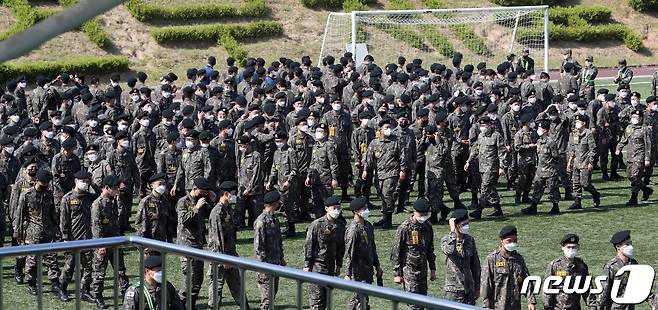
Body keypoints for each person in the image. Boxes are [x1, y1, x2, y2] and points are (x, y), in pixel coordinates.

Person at [13, 169, 66, 300]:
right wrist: (18, 233)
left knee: (52, 259)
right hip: (32, 232)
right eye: (43, 183)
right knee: (32, 260)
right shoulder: (27, 195)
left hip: (48, 232)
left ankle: (55, 283)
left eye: (47, 183)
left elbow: (53, 213)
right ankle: (31, 282)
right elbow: (19, 215)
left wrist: (57, 230)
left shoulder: (48, 194)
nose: (45, 185)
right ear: (36, 181)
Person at [206, 181, 251, 309]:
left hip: (230, 254)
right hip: (219, 256)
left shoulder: (227, 209)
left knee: (236, 282)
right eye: (233, 194)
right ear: (226, 194)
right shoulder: (217, 212)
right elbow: (217, 237)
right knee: (216, 284)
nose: (235, 196)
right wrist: (223, 258)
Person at [390, 198, 436, 310]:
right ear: (414, 212)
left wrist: (433, 269)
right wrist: (397, 273)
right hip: (409, 271)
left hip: (423, 271)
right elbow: (396, 251)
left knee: (423, 302)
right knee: (414, 305)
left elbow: (430, 249)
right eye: (421, 214)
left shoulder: (427, 226)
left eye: (426, 214)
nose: (423, 217)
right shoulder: (404, 228)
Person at [91, 175, 130, 309]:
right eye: (114, 189)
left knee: (121, 271)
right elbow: (96, 225)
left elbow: (120, 217)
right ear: (106, 188)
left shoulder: (114, 200)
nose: (117, 191)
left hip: (115, 242)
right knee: (100, 272)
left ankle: (125, 294)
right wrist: (99, 244)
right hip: (103, 243)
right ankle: (98, 296)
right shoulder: (98, 204)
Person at [176, 177, 216, 307]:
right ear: (194, 189)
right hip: (186, 245)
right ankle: (180, 304)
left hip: (198, 244)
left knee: (198, 279)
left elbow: (212, 214)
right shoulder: (183, 202)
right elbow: (184, 220)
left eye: (205, 192)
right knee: (189, 279)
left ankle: (191, 304)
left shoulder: (202, 201)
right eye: (202, 192)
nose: (203, 195)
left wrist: (212, 199)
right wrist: (196, 208)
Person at [303, 196, 346, 310]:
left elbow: (341, 247)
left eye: (338, 207)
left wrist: (339, 265)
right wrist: (307, 265)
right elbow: (309, 245)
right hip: (317, 267)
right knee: (317, 301)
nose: (337, 210)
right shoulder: (317, 224)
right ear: (326, 208)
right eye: (334, 207)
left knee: (327, 300)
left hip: (330, 267)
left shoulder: (340, 226)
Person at [59, 170, 95, 303]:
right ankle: (63, 288)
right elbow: (64, 220)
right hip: (73, 238)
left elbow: (100, 193)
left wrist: (92, 184)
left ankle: (85, 291)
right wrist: (65, 237)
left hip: (87, 238)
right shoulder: (67, 198)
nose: (85, 184)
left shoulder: (90, 197)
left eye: (87, 181)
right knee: (69, 266)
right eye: (83, 181)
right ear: (76, 181)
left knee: (88, 266)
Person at [591, 230, 651, 309]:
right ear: (618, 246)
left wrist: (653, 304)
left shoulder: (634, 264)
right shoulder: (611, 267)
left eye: (630, 243)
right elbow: (603, 294)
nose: (630, 247)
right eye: (627, 244)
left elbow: (643, 287)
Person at [481, 225, 536, 310]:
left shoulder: (519, 259)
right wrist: (486, 306)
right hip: (498, 306)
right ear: (501, 241)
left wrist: (531, 301)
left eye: (515, 241)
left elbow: (526, 281)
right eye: (509, 241)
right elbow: (486, 285)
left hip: (515, 306)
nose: (512, 243)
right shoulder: (492, 259)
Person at [343, 196, 382, 310]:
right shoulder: (353, 230)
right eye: (363, 208)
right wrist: (348, 273)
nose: (366, 210)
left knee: (362, 298)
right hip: (357, 271)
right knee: (358, 299)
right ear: (355, 211)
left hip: (367, 269)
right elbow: (349, 253)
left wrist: (377, 265)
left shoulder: (368, 226)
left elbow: (372, 247)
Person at [465, 116, 507, 218]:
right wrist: (468, 161)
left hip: (491, 167)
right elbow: (475, 150)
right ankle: (498, 209)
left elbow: (502, 152)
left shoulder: (496, 136)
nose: (482, 127)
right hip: (482, 166)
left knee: (484, 188)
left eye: (484, 125)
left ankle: (479, 210)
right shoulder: (481, 136)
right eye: (481, 125)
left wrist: (502, 167)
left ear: (489, 125)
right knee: (490, 189)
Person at [440, 209, 480, 305]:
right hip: (453, 290)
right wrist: (453, 233)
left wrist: (477, 287)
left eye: (467, 223)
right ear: (456, 225)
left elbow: (475, 265)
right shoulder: (446, 240)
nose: (466, 226)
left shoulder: (470, 240)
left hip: (469, 289)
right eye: (463, 224)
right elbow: (449, 250)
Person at [254, 190, 286, 310]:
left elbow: (278, 242)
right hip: (265, 267)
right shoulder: (261, 222)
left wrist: (281, 258)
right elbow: (259, 247)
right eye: (278, 202)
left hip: (275, 264)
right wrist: (262, 267)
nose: (279, 204)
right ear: (274, 203)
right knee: (267, 301)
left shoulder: (274, 220)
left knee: (272, 296)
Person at [522, 120, 561, 215]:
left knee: (553, 189)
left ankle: (555, 207)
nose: (538, 130)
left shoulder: (551, 142)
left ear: (545, 130)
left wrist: (553, 168)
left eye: (540, 128)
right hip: (540, 170)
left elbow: (555, 156)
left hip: (549, 170)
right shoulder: (539, 141)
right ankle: (533, 207)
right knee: (537, 189)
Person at [543, 234, 590, 310]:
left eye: (574, 247)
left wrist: (593, 306)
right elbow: (548, 288)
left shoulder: (581, 266)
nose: (571, 250)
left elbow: (587, 288)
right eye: (568, 247)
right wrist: (547, 306)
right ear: (562, 247)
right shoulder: (555, 265)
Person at [616, 109, 653, 206]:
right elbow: (623, 139)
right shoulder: (629, 128)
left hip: (639, 157)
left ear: (641, 118)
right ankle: (646, 189)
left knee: (635, 176)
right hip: (629, 157)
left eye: (636, 117)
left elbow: (648, 145)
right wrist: (618, 148)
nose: (634, 119)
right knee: (630, 176)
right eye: (633, 117)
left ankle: (634, 198)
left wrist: (647, 158)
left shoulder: (645, 129)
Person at [567, 114, 601, 209]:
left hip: (585, 162)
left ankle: (595, 194)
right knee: (576, 183)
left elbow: (593, 149)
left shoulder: (588, 134)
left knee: (585, 184)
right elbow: (572, 148)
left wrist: (591, 162)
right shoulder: (574, 133)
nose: (576, 124)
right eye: (576, 122)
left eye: (578, 122)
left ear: (584, 123)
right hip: (576, 162)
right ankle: (577, 202)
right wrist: (570, 162)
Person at [135, 173, 171, 241]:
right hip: (149, 241)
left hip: (161, 240)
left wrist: (169, 239)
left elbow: (168, 222)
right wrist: (143, 243)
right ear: (152, 186)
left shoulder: (165, 201)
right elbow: (139, 224)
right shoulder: (145, 201)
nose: (162, 186)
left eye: (164, 184)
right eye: (160, 184)